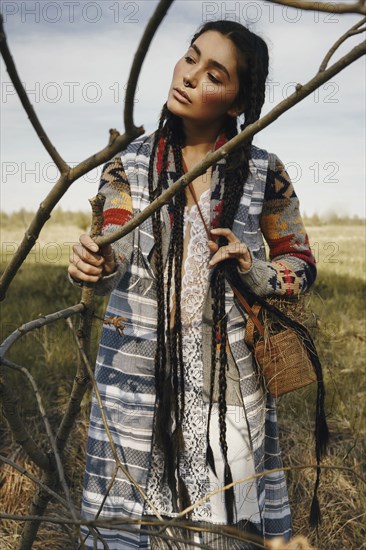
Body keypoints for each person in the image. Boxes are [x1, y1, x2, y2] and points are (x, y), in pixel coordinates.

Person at [68, 20, 317, 550]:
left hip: (228, 379)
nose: (188, 76)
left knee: (223, 515)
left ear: (235, 102)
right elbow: (113, 235)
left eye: (213, 74)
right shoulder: (129, 164)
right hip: (136, 371)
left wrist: (257, 271)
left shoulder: (263, 172)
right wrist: (96, 259)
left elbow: (301, 264)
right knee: (129, 512)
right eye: (189, 57)